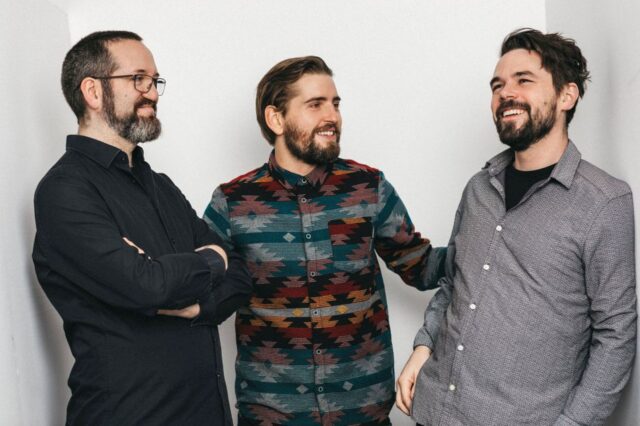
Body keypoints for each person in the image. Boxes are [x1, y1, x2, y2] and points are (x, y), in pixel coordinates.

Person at [396, 28, 637, 426]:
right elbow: (455, 283)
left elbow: (616, 333)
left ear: (566, 96)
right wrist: (422, 350)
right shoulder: (478, 188)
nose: (505, 93)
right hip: (434, 409)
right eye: (497, 85)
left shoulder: (604, 202)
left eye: (523, 80)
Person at [203, 56, 445, 425]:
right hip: (272, 416)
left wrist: (493, 247)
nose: (332, 116)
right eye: (315, 105)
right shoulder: (232, 202)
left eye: (335, 104)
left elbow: (422, 267)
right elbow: (203, 289)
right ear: (276, 119)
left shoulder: (368, 188)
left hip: (363, 414)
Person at [32, 31, 252, 425]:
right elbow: (146, 285)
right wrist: (209, 260)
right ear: (93, 92)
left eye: (154, 80)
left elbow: (239, 275)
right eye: (138, 79)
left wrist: (200, 303)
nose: (151, 92)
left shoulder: (160, 185)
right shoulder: (64, 190)